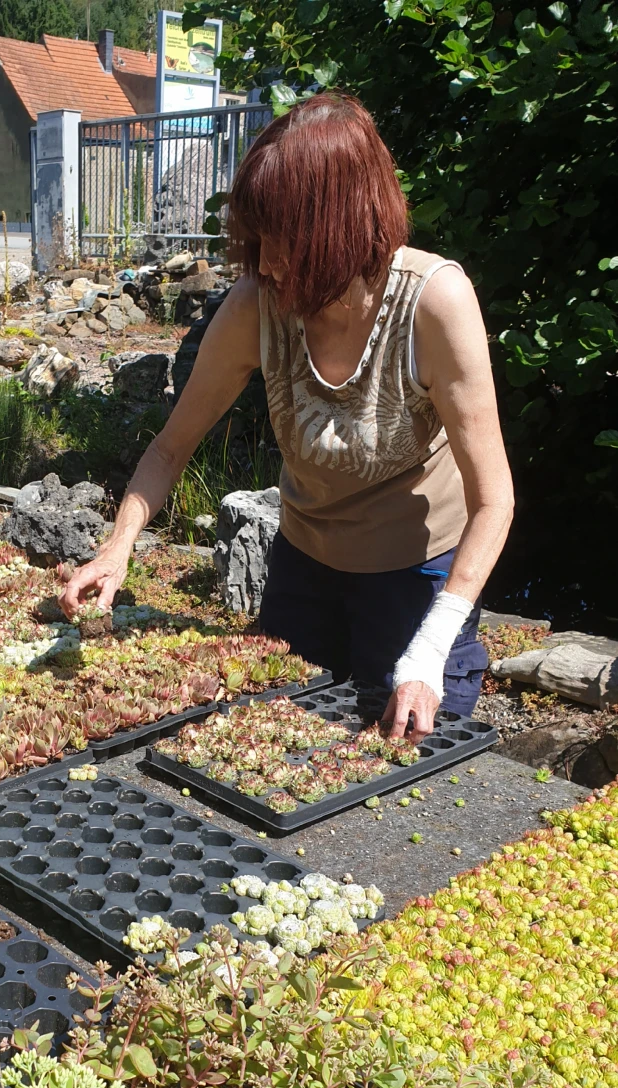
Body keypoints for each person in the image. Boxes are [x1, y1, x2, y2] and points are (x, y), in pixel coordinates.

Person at [60, 92, 514, 743]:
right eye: (257, 241)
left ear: (342, 227)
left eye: (285, 244)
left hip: (417, 583)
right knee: (277, 746)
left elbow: (493, 500)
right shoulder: (257, 305)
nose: (267, 263)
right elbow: (169, 450)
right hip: (303, 575)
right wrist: (118, 545)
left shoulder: (433, 304)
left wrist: (431, 647)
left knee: (399, 774)